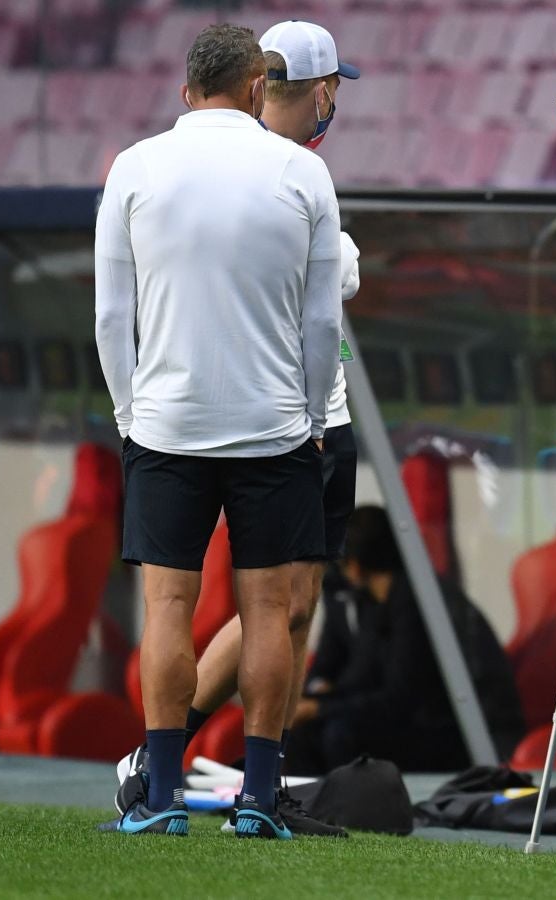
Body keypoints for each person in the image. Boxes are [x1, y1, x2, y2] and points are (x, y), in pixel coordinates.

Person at [111, 20, 361, 839]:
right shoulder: (301, 174)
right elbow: (324, 321)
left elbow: (115, 314)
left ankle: (161, 798)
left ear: (188, 91)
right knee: (269, 613)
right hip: (273, 427)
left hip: (168, 425)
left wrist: (128, 414)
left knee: (170, 608)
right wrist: (308, 413)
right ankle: (258, 798)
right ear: (258, 87)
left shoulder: (135, 166)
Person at [286, 505, 525, 775]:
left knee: (340, 734)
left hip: (457, 732)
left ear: (355, 565)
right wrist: (319, 700)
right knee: (302, 733)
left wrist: (320, 708)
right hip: (413, 718)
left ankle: (352, 810)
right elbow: (363, 676)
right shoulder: (375, 600)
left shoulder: (416, 602)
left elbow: (401, 696)